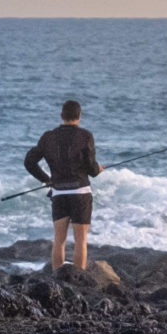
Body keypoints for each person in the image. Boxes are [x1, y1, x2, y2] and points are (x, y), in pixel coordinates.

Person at [24, 99, 102, 273]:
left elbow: (29, 162)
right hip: (80, 192)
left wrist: (46, 179)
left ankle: (57, 280)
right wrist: (98, 169)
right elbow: (92, 169)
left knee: (59, 239)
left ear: (62, 116)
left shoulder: (48, 137)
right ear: (79, 117)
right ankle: (79, 279)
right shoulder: (86, 136)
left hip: (58, 193)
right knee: (80, 240)